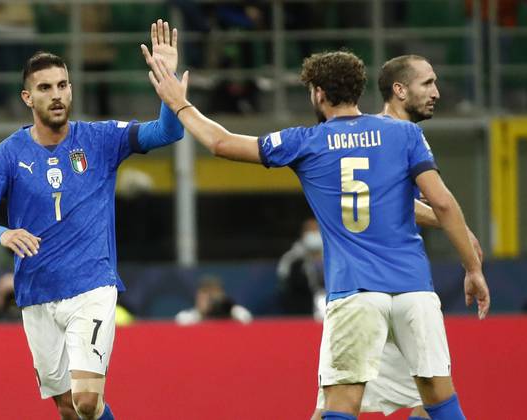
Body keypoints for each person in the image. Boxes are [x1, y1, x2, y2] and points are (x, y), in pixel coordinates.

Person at [141, 42, 490, 420]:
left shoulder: (306, 142)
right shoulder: (403, 135)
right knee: (440, 402)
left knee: (338, 409)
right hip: (414, 291)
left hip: (355, 293)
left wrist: (179, 103)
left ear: (319, 93)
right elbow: (441, 204)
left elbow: (221, 142)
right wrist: (471, 267)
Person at [0, 20, 183, 420]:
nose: (57, 95)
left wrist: (168, 88)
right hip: (37, 295)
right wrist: (3, 232)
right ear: (28, 97)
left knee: (85, 399)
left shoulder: (100, 139)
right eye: (45, 88)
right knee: (67, 408)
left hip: (91, 287)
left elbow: (167, 133)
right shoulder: (7, 154)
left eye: (63, 85)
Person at [316, 54, 486, 420]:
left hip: (375, 289)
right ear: (399, 89)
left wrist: (455, 224)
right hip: (382, 284)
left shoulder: (391, 132)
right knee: (427, 397)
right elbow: (414, 205)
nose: (436, 92)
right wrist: (456, 228)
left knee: (417, 402)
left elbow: (400, 205)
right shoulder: (392, 136)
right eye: (427, 84)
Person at [277, 218, 325, 320]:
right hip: (302, 313)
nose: (313, 234)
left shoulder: (335, 257)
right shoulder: (293, 260)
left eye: (316, 230)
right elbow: (286, 282)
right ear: (303, 234)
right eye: (310, 230)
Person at [175, 275, 253, 325]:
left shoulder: (234, 312)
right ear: (198, 296)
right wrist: (202, 314)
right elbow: (180, 322)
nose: (210, 300)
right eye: (206, 293)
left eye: (214, 293)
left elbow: (247, 320)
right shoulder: (186, 316)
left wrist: (228, 309)